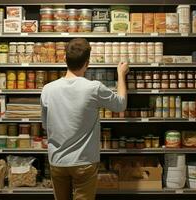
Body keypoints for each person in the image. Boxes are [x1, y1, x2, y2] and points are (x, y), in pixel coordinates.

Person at [41, 38, 129, 200]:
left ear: (64, 59)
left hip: (57, 161)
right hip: (84, 162)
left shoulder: (47, 89)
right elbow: (120, 105)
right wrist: (121, 75)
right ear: (87, 63)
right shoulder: (93, 88)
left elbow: (46, 126)